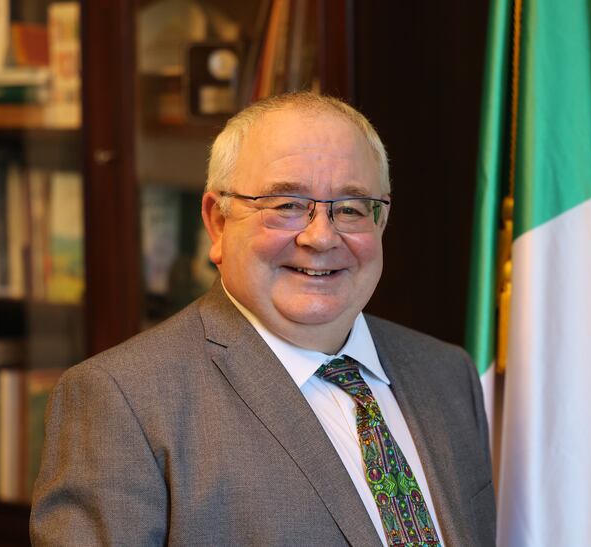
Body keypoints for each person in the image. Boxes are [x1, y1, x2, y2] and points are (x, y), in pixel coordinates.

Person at [30, 92, 495, 546]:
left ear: (381, 222)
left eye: (351, 208)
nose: (320, 237)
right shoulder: (123, 401)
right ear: (217, 221)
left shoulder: (448, 374)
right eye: (287, 205)